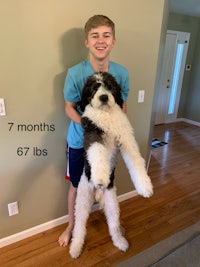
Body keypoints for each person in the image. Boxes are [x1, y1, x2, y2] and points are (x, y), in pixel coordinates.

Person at [58, 14, 130, 247]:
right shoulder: (74, 74)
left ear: (113, 41)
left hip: (108, 145)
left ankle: (113, 226)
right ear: (87, 42)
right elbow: (68, 107)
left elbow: (122, 106)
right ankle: (71, 225)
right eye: (95, 36)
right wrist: (89, 126)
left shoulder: (122, 73)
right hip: (79, 142)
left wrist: (114, 131)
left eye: (106, 35)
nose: (101, 40)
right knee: (77, 186)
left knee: (106, 185)